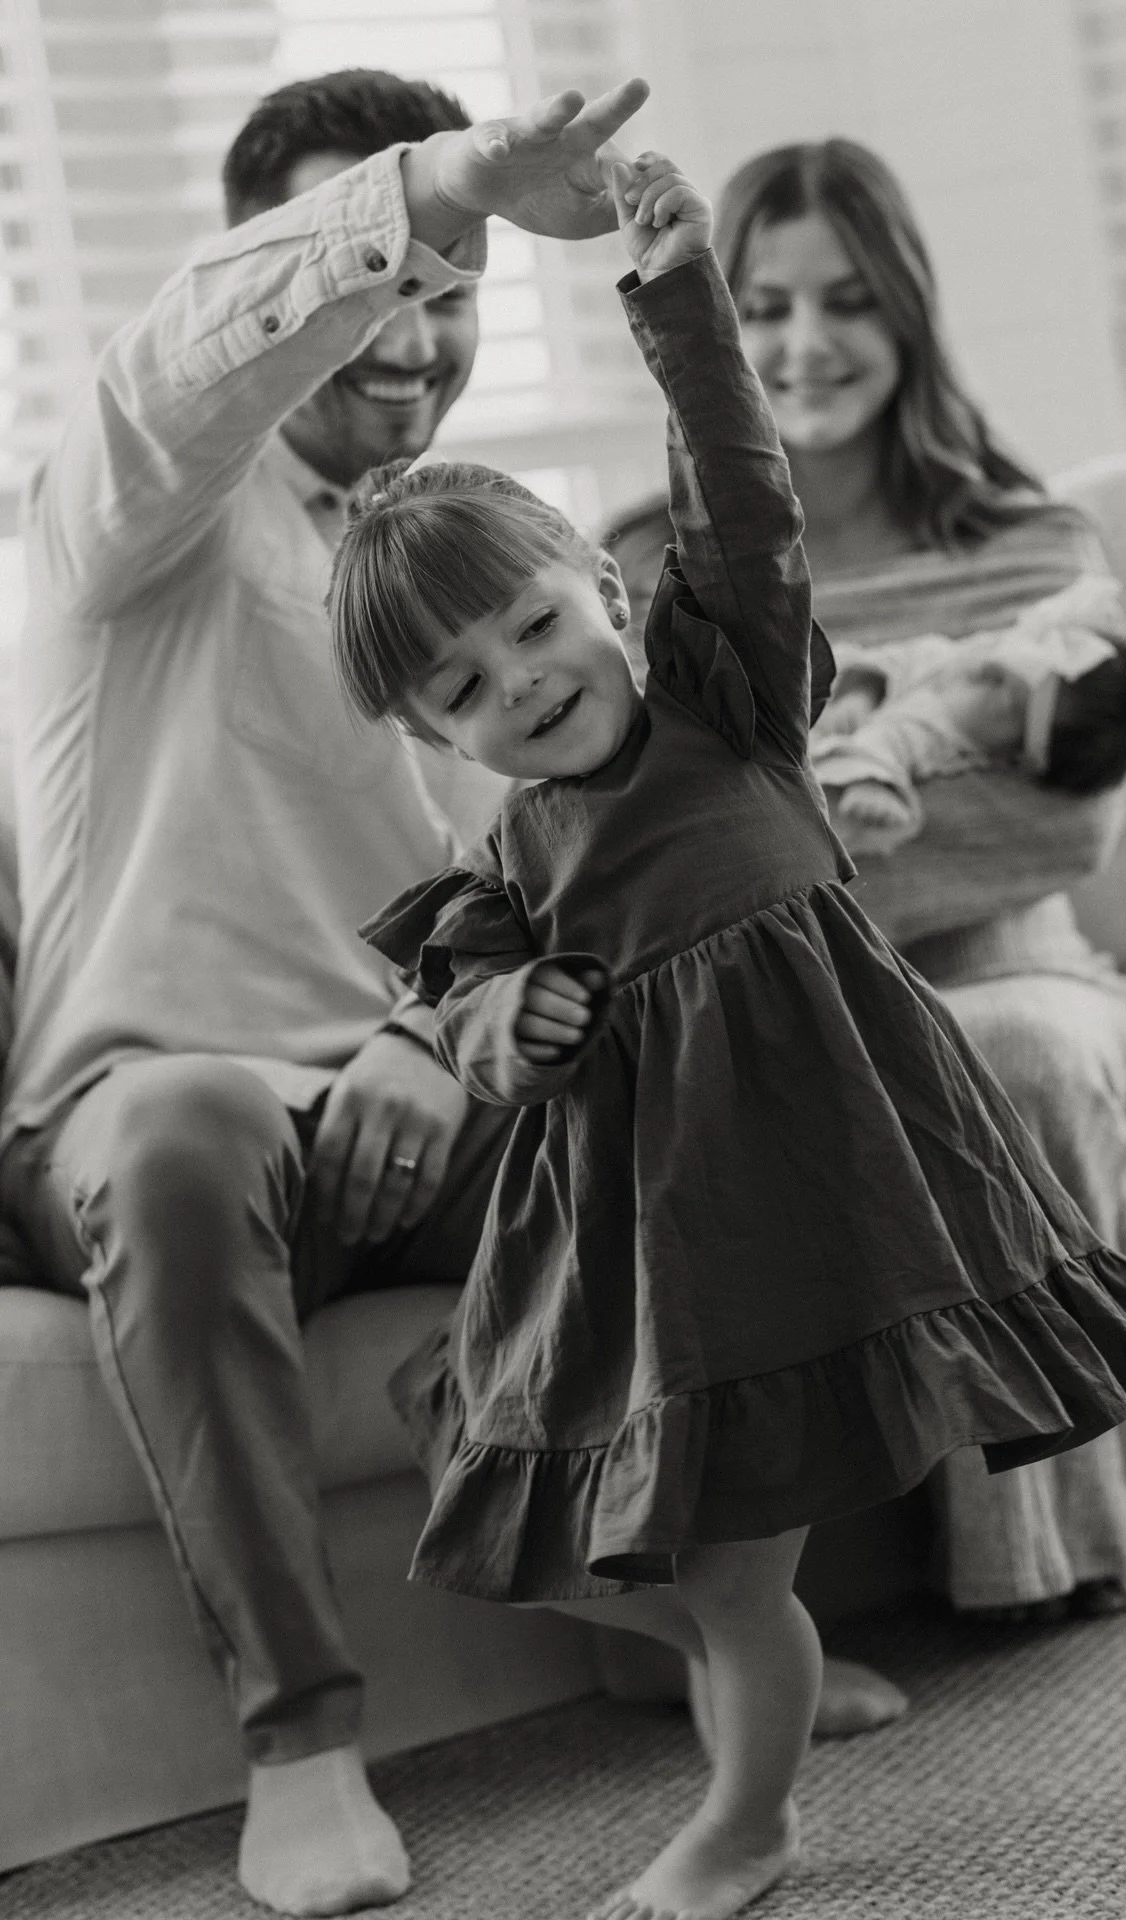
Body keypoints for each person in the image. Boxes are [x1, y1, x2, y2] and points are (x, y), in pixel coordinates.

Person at [329, 153, 1126, 1920]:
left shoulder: (726, 697)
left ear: (604, 582)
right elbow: (462, 1009)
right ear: (435, 731)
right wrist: (511, 1013)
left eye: (534, 626)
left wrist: (676, 288)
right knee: (626, 1549)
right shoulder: (506, 854)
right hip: (660, 1256)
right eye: (465, 689)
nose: (522, 683)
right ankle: (746, 1726)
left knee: (738, 1587)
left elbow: (739, 489)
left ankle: (743, 1819)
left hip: (820, 1201)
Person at [0, 67, 654, 1918]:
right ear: (272, 271)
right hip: (151, 1121)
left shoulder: (456, 572)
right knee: (192, 1122)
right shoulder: (126, 513)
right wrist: (438, 192)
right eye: (388, 283)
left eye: (454, 295)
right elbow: (193, 364)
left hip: (404, 1106)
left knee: (656, 1068)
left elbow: (538, 889)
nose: (418, 334)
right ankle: (299, 1749)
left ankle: (692, 1616)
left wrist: (439, 1037)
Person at [607, 136, 1126, 1624]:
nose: (805, 343)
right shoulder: (645, 562)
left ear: (910, 311)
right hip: (775, 1015)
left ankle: (1046, 1562)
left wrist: (785, 844)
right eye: (766, 304)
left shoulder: (1031, 540)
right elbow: (636, 851)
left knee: (1015, 1056)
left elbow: (1068, 835)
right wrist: (907, 798)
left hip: (1016, 965)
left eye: (847, 300)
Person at [812, 574, 1126, 853]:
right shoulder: (958, 661)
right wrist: (861, 693)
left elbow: (895, 739)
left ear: (1014, 756)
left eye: (1006, 698)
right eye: (1017, 652)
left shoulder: (946, 737)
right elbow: (896, 660)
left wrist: (874, 783)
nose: (992, 668)